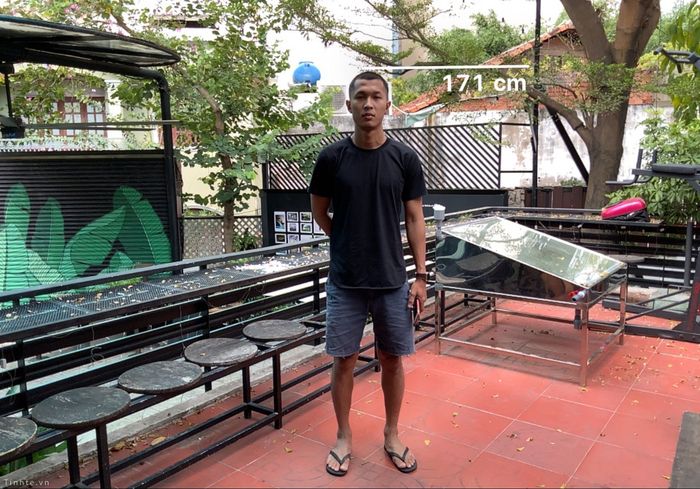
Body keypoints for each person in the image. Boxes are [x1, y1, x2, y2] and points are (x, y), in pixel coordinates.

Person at [309, 71, 427, 477]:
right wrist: (345, 239)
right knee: (343, 360)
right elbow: (319, 211)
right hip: (345, 281)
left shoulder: (405, 159)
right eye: (361, 97)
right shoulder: (331, 159)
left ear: (388, 106)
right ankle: (343, 436)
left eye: (377, 97)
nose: (369, 104)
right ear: (350, 105)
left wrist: (421, 276)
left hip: (393, 280)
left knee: (392, 360)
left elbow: (415, 218)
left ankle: (392, 433)